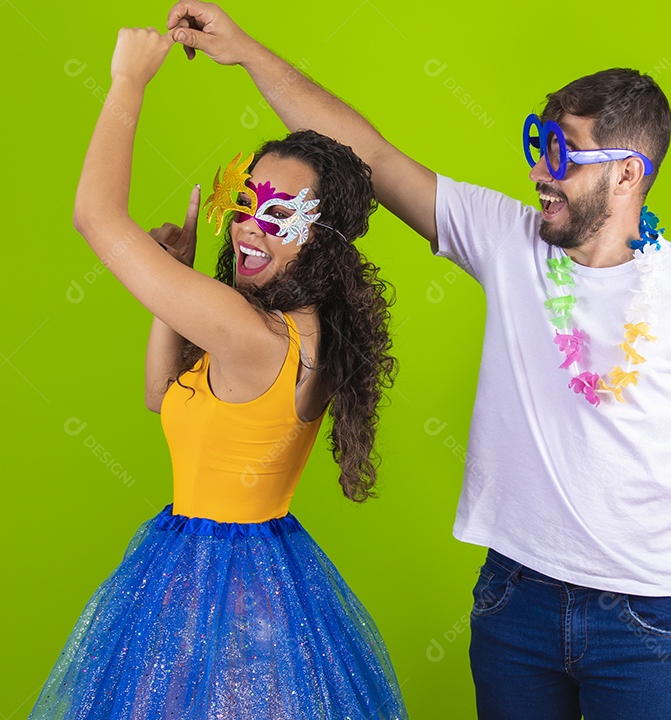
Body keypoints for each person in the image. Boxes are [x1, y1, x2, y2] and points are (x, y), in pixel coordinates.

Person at [163, 3, 671, 718]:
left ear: (628, 175)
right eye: (539, 144)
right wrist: (246, 51)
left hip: (642, 624)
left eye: (564, 155)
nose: (541, 173)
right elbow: (375, 155)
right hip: (514, 602)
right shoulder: (505, 239)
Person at [28, 27, 407, 719]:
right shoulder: (295, 327)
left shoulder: (251, 333)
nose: (249, 228)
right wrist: (174, 278)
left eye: (279, 215)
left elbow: (96, 218)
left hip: (220, 598)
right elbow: (160, 396)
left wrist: (128, 83)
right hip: (251, 577)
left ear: (320, 235)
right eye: (245, 203)